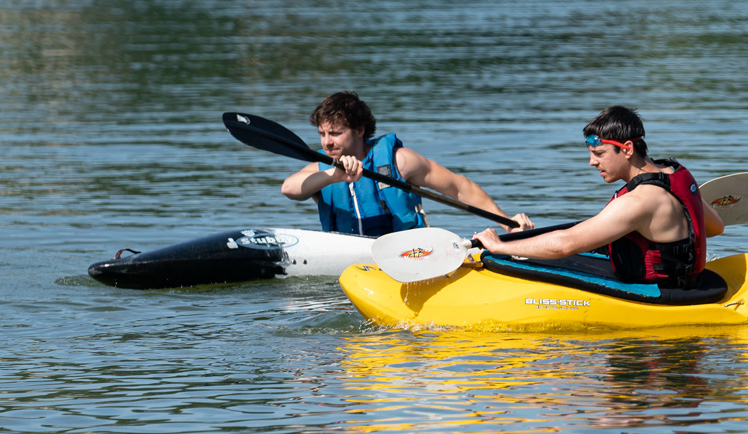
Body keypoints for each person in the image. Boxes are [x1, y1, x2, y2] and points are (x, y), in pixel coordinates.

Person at [474, 105, 724, 287]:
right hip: (687, 281)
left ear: (626, 149)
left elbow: (565, 244)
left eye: (599, 153)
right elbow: (714, 227)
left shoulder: (639, 201)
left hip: (660, 293)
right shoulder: (677, 174)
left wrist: (499, 246)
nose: (592, 162)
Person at [282, 91, 533, 236]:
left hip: (405, 255)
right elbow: (290, 189)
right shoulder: (322, 168)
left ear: (359, 130)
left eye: (335, 134)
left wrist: (508, 224)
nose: (327, 143)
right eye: (322, 134)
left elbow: (459, 188)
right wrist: (332, 177)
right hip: (348, 261)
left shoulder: (399, 161)